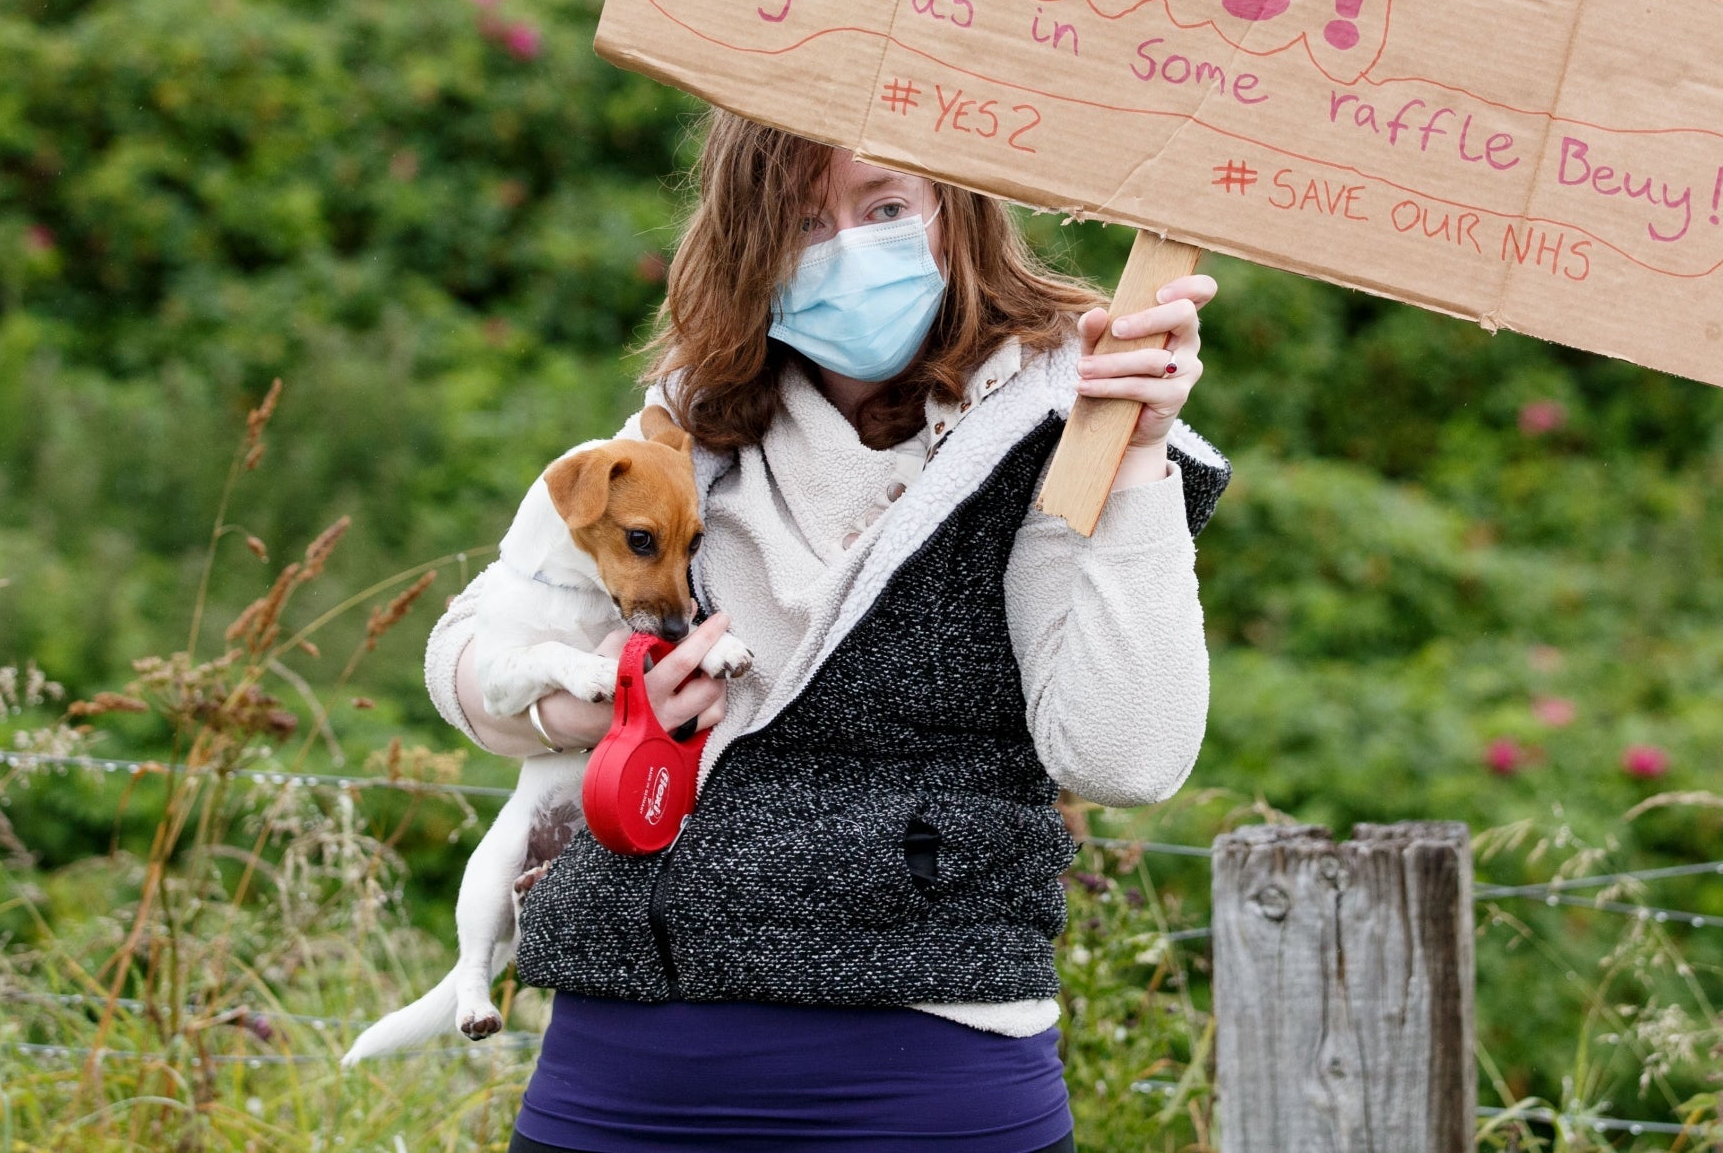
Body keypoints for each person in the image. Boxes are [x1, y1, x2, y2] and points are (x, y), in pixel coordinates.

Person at [421, 112, 1226, 1153]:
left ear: (956, 214)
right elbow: (462, 654)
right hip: (618, 1074)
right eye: (804, 225)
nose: (849, 250)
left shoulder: (1063, 429)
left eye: (885, 208)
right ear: (751, 243)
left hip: (922, 1078)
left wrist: (1135, 461)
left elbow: (1127, 755)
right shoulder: (679, 431)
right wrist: (597, 704)